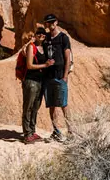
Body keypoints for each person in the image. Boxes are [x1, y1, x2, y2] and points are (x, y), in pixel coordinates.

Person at [43, 14, 72, 142]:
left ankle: (71, 131)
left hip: (60, 76)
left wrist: (65, 76)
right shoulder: (46, 38)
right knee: (52, 105)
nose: (50, 25)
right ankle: (56, 131)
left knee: (63, 104)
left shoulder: (63, 38)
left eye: (51, 22)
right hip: (48, 76)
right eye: (47, 23)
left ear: (56, 22)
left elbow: (68, 58)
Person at [21, 26, 53, 144]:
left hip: (41, 82)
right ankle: (27, 134)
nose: (41, 35)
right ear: (35, 35)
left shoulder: (44, 48)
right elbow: (29, 65)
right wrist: (45, 65)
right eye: (39, 34)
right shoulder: (31, 47)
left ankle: (32, 131)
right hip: (31, 81)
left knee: (35, 107)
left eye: (43, 34)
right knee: (28, 107)